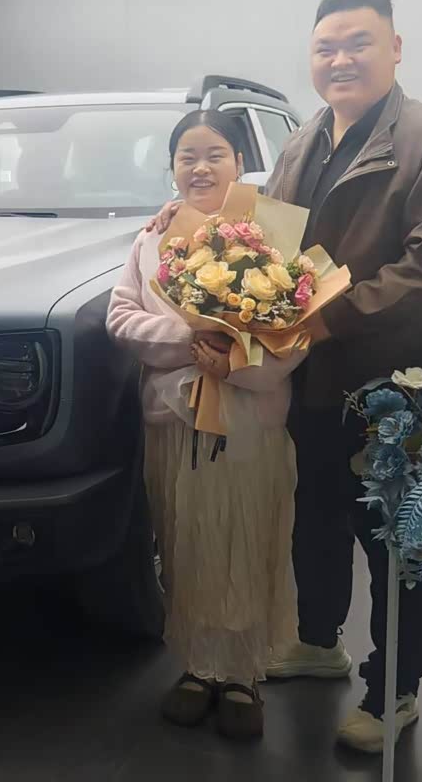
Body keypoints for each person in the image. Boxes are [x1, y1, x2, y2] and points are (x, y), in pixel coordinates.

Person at [150, 0, 422, 753]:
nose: (341, 59)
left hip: (393, 385)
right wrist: (191, 216)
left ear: (394, 48)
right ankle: (318, 639)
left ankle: (394, 691)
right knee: (317, 518)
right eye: (326, 47)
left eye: (358, 43)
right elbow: (265, 234)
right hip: (309, 373)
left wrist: (325, 317)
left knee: (394, 542)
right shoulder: (305, 141)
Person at [107, 110, 302, 741]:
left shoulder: (272, 233)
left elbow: (296, 333)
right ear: (172, 168)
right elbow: (121, 318)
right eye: (186, 156)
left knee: (245, 541)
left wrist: (236, 363)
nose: (200, 167)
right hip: (174, 421)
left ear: (240, 163)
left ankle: (242, 675)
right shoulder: (151, 240)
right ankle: (198, 667)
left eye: (214, 153)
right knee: (184, 544)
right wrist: (193, 336)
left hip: (248, 422)